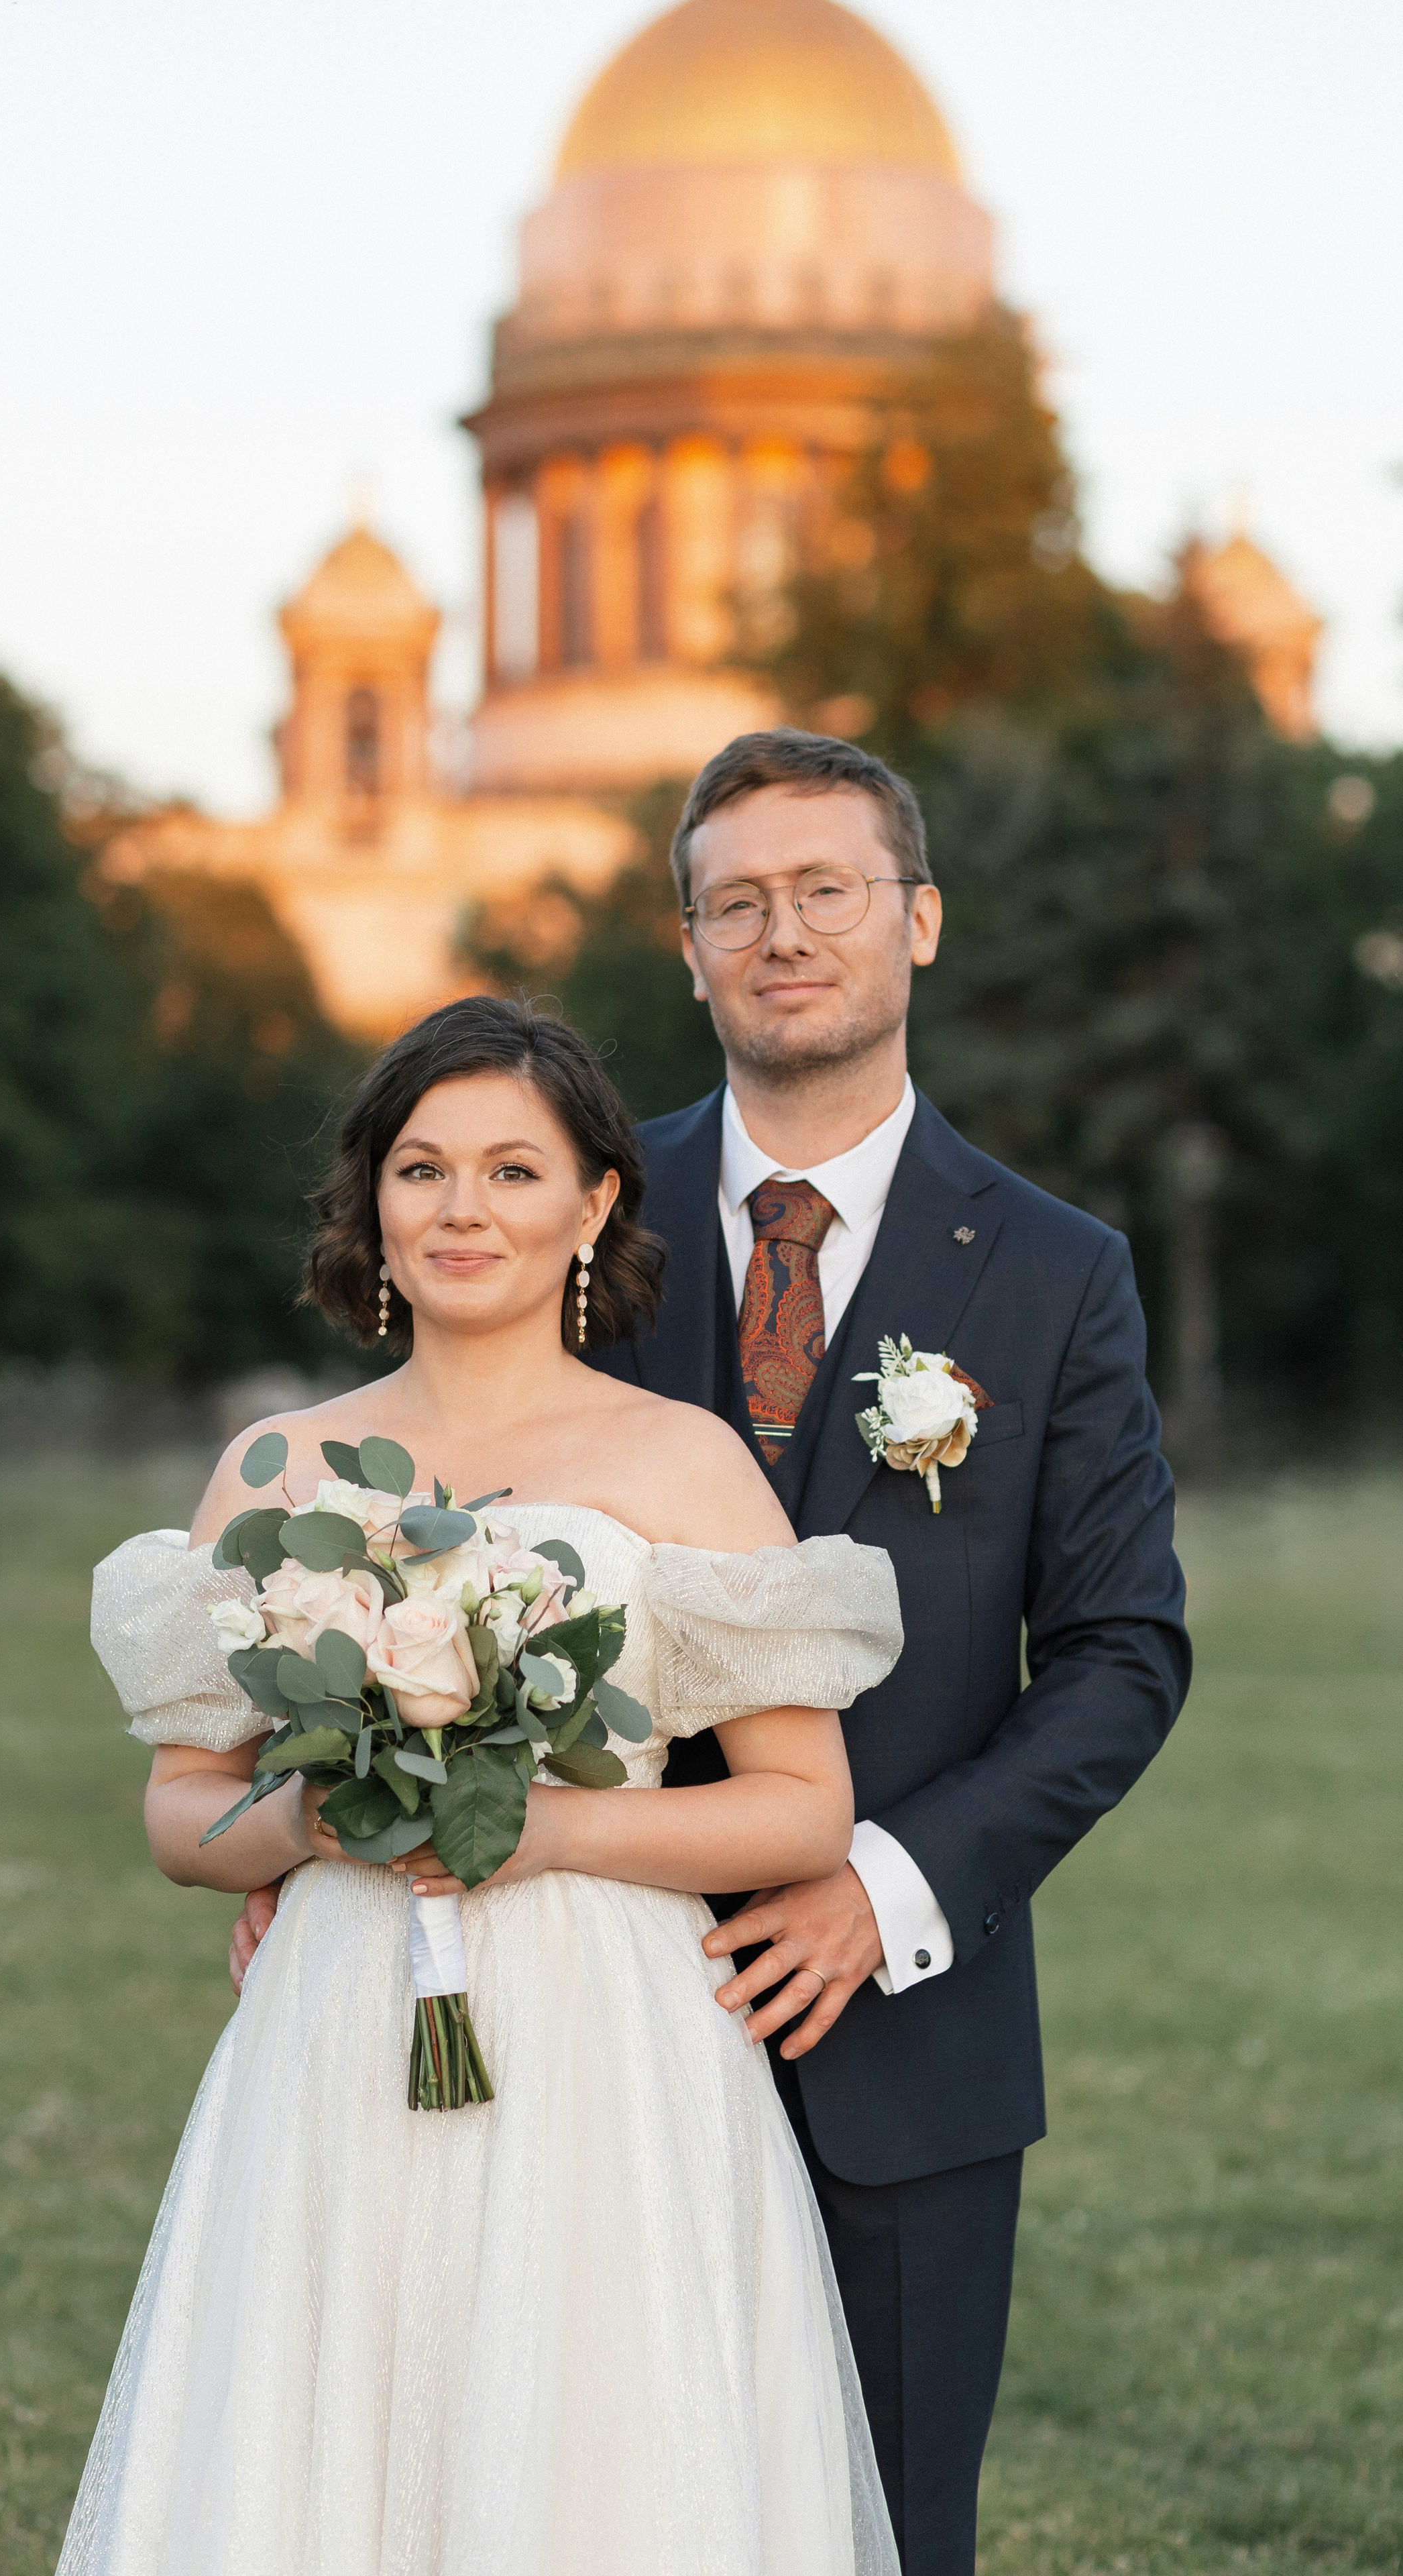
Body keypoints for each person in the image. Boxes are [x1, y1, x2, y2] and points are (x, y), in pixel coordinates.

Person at [231, 731, 1192, 2576]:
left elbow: (1118, 1653)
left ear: (917, 920)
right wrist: (351, 1793)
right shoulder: (554, 1198)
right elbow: (420, 1514)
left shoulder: (1058, 1271)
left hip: (894, 2024)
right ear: (686, 948)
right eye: (735, 900)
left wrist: (883, 1890)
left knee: (881, 2530)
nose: (783, 932)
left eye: (827, 888)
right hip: (548, 2005)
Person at [58, 996, 909, 2576]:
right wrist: (324, 1821)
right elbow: (185, 1814)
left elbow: (798, 1810)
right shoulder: (275, 1471)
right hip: (332, 2027)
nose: (462, 1209)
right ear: (369, 1201)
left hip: (609, 2031)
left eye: (513, 1172)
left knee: (590, 2441)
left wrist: (545, 1828)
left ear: (592, 1204)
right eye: (423, 1168)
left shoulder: (683, 1463)